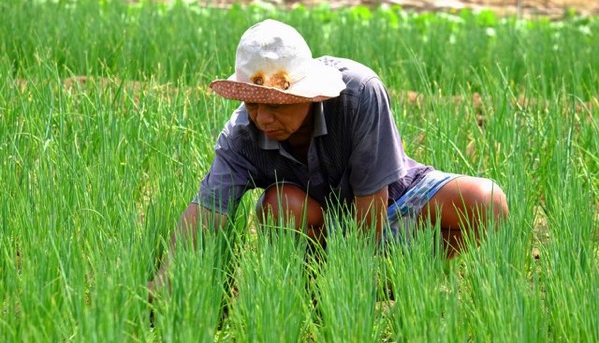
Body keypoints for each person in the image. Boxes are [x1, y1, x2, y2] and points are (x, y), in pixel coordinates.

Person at [148, 19, 508, 294]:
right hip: (318, 223)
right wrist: (163, 281)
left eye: (277, 105)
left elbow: (372, 197)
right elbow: (207, 211)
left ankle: (398, 281)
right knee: (279, 204)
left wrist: (357, 284)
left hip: (389, 203)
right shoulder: (242, 135)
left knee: (488, 201)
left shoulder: (358, 94)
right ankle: (314, 290)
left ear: (308, 95)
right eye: (253, 104)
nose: (264, 119)